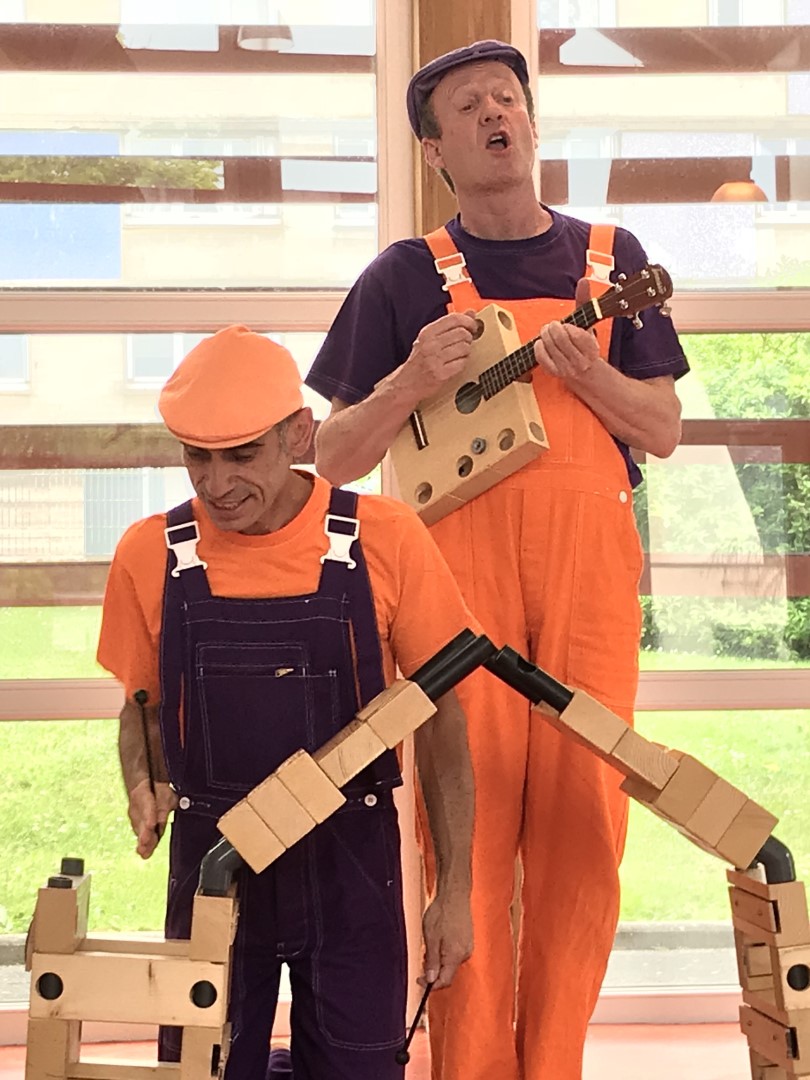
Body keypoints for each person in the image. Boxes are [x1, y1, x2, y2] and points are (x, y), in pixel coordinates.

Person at [307, 39, 689, 1080]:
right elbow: (332, 458)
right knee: (462, 833)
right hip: (452, 586)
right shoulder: (402, 276)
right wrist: (406, 382)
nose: (494, 114)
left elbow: (661, 429)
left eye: (506, 98)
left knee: (583, 828)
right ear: (436, 151)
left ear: (529, 121)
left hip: (588, 587)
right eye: (469, 106)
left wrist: (591, 377)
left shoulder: (611, 257)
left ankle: (554, 1065)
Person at [96, 325, 477, 1080]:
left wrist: (454, 891)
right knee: (204, 1069)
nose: (216, 483)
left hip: (352, 870)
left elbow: (441, 721)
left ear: (298, 434)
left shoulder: (384, 538)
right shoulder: (151, 554)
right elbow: (142, 704)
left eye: (242, 456)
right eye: (198, 457)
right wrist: (142, 781)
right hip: (214, 867)